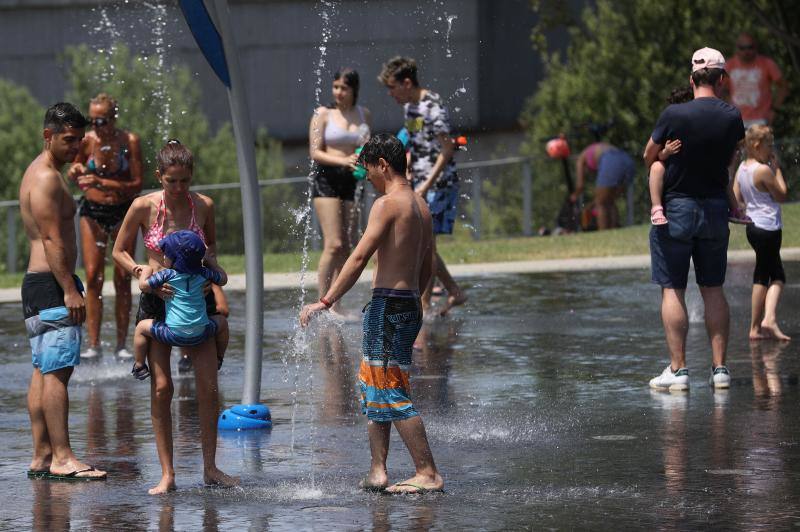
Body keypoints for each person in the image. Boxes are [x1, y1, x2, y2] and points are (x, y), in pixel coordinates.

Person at [300, 134, 444, 494]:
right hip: (407, 303)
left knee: (390, 389)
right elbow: (428, 265)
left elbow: (359, 257)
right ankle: (378, 470)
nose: (365, 178)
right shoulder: (421, 206)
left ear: (383, 165)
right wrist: (415, 299)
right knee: (374, 384)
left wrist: (326, 300)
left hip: (388, 306)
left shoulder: (387, 204)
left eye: (367, 170)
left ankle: (427, 472)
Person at [112, 140, 235, 494]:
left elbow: (209, 249)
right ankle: (167, 473)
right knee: (162, 386)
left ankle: (211, 467)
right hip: (157, 300)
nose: (179, 188)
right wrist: (140, 272)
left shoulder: (204, 205)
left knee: (208, 386)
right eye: (171, 181)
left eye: (184, 181)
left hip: (196, 299)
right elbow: (118, 250)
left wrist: (213, 272)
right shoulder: (142, 206)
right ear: (159, 177)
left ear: (191, 176)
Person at [644, 47, 745, 391]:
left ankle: (679, 370)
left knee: (673, 287)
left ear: (692, 79)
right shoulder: (732, 116)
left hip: (677, 208)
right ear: (721, 79)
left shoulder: (675, 114)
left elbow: (648, 156)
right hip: (716, 208)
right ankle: (720, 370)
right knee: (713, 288)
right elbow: (734, 155)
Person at [20, 102, 107, 480]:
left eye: (78, 140)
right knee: (57, 372)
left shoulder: (42, 173)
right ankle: (63, 456)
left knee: (42, 371)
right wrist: (71, 289)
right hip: (53, 284)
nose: (75, 147)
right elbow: (53, 239)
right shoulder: (46, 179)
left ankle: (41, 455)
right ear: (47, 135)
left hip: (37, 285)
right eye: (68, 140)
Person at [378, 56, 466, 316]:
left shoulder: (432, 106)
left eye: (392, 87)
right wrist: (406, 173)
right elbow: (416, 144)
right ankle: (453, 292)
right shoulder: (411, 109)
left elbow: (447, 148)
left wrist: (427, 184)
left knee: (426, 244)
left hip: (438, 184)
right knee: (424, 244)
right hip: (420, 183)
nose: (390, 93)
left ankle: (425, 305)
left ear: (407, 83)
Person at [67, 93, 143, 360]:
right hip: (93, 212)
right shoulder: (87, 141)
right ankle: (94, 344)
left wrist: (102, 183)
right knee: (92, 275)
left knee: (123, 278)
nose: (96, 126)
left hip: (122, 211)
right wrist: (76, 170)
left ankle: (121, 345)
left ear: (113, 119)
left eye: (102, 121)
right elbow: (74, 167)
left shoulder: (128, 142)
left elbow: (136, 184)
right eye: (92, 120)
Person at [309, 68, 371, 317]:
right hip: (327, 179)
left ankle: (336, 303)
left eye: (343, 88)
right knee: (333, 244)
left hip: (352, 180)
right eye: (335, 87)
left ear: (354, 89)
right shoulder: (322, 114)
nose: (338, 92)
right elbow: (315, 152)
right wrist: (344, 160)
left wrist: (360, 159)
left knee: (347, 246)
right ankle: (321, 301)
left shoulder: (363, 114)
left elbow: (366, 148)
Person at [131, 231, 230, 381]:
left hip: (172, 334)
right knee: (222, 323)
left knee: (141, 327)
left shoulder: (168, 275)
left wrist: (146, 271)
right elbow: (223, 280)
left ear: (176, 259)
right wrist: (213, 264)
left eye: (166, 254)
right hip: (201, 333)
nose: (163, 256)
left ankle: (139, 365)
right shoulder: (204, 273)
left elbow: (144, 286)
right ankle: (219, 358)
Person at [648, 87, 750, 226]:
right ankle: (656, 207)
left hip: (695, 182)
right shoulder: (673, 123)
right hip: (674, 174)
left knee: (722, 174)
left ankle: (734, 209)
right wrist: (666, 152)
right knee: (656, 167)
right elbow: (655, 155)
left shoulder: (688, 123)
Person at [732, 125, 790, 341]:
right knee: (775, 276)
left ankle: (757, 326)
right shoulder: (764, 170)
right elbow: (782, 195)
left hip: (753, 228)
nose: (771, 149)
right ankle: (767, 320)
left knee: (764, 272)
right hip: (769, 227)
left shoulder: (742, 169)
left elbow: (737, 201)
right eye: (769, 145)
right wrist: (778, 170)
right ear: (756, 146)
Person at [724, 33, 788, 128]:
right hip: (737, 121)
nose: (746, 51)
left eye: (750, 47)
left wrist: (774, 111)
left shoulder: (767, 63)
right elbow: (721, 90)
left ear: (756, 47)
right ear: (736, 48)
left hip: (761, 121)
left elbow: (784, 87)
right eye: (742, 48)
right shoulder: (728, 65)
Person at [572, 141, 636, 230]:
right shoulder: (598, 149)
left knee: (601, 204)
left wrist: (573, 196)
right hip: (627, 160)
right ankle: (614, 231)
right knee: (610, 201)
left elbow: (580, 185)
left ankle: (603, 232)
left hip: (611, 160)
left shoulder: (580, 160)